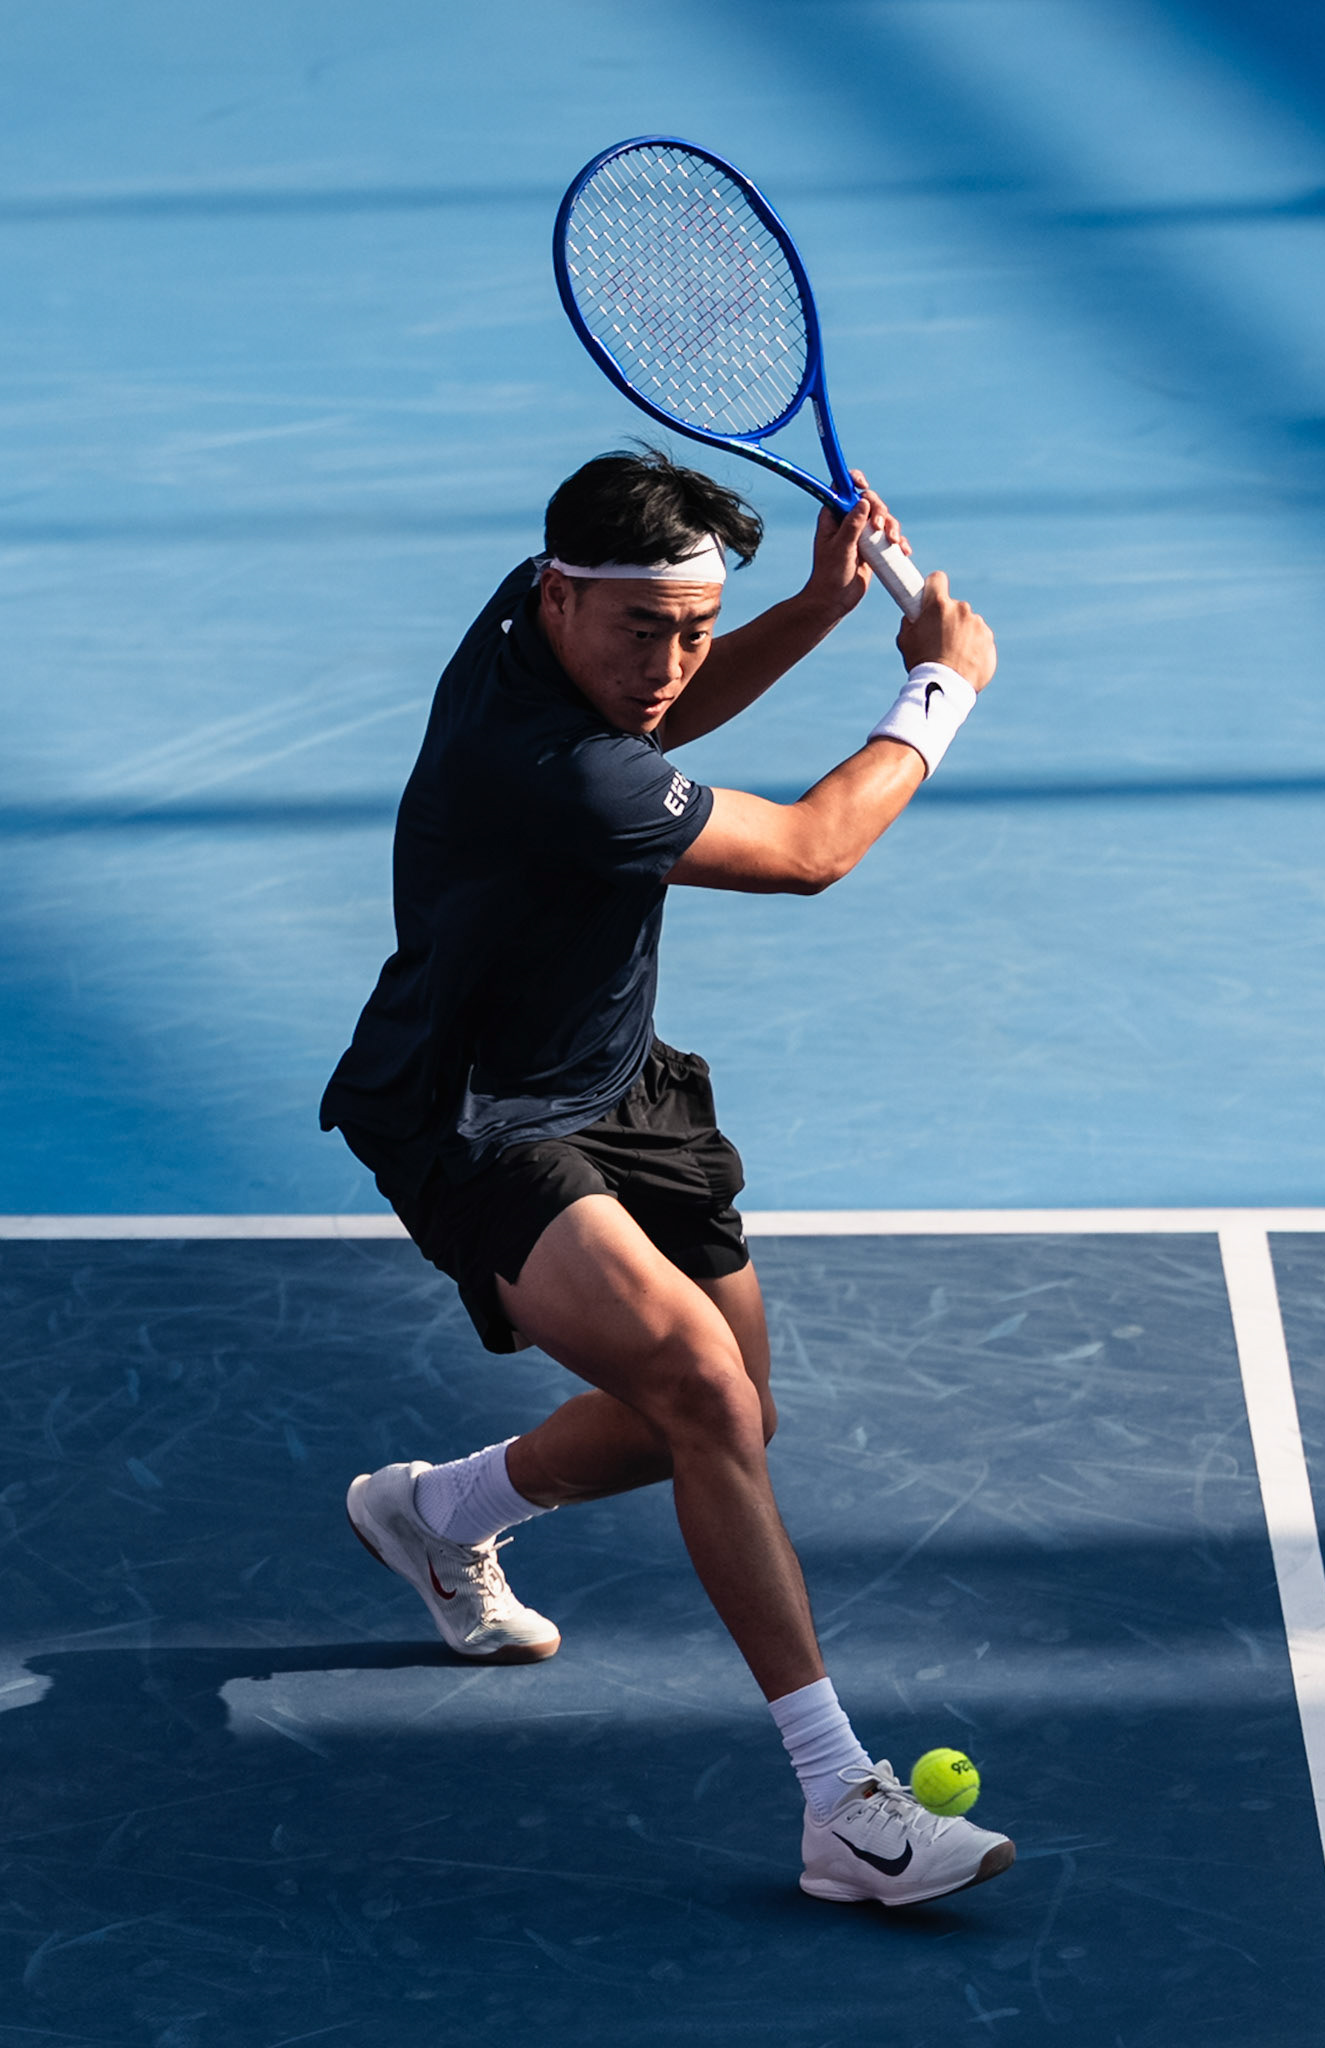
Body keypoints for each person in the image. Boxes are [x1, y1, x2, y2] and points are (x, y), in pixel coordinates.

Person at [321, 447, 1011, 1907]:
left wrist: (816, 608)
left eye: (696, 627)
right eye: (644, 628)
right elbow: (812, 850)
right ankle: (842, 1804)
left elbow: (660, 716)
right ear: (561, 594)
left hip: (616, 1077)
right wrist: (940, 688)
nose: (670, 664)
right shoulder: (560, 777)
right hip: (479, 1114)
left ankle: (437, 1514)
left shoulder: (536, 623)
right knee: (701, 1390)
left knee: (727, 1416)